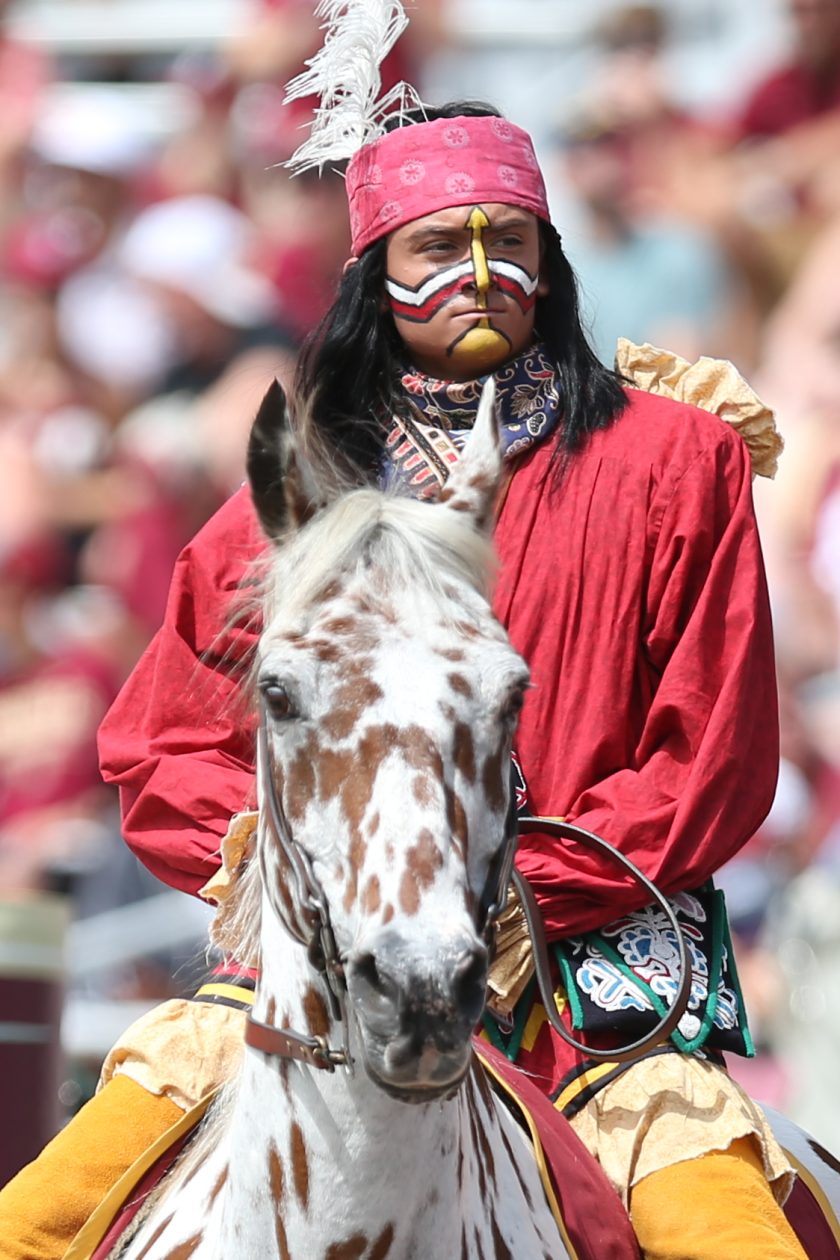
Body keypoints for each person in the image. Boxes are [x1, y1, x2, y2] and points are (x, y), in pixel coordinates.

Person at [0, 101, 804, 1260]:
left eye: (509, 241)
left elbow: (710, 757)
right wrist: (328, 867)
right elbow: (164, 743)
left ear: (550, 258)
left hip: (594, 990)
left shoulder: (675, 459)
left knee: (725, 1237)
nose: (479, 272)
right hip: (319, 973)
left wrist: (519, 888)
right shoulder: (301, 492)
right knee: (34, 1224)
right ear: (376, 274)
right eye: (438, 246)